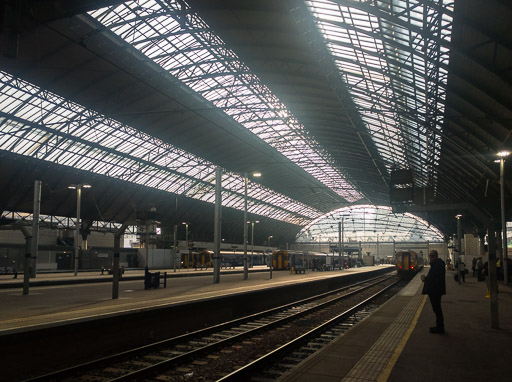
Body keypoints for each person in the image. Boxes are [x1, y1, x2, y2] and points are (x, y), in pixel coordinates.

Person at [421, 250, 446, 334]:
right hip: (435, 290)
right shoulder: (436, 265)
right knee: (436, 309)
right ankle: (439, 326)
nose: (430, 258)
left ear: (436, 256)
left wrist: (426, 280)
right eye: (429, 256)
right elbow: (433, 277)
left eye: (431, 256)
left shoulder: (437, 265)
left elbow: (435, 279)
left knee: (437, 309)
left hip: (435, 291)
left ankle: (440, 328)